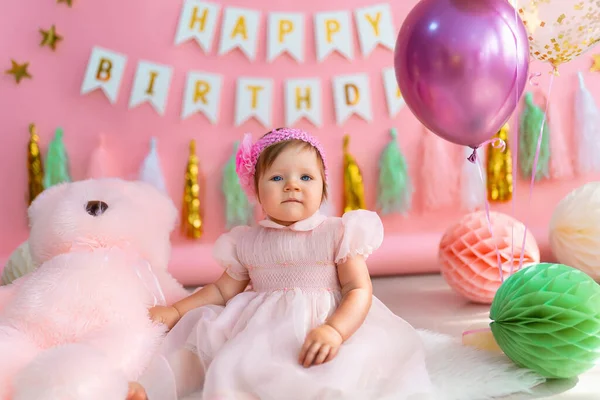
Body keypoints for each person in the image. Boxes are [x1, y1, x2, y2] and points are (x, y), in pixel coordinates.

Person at [127, 128, 434, 400]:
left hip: (322, 326)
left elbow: (358, 289)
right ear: (256, 190)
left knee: (342, 371)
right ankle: (151, 389)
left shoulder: (337, 233)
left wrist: (335, 331)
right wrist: (177, 311)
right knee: (213, 356)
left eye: (306, 177)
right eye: (277, 177)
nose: (292, 185)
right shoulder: (247, 242)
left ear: (323, 187)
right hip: (260, 332)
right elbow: (221, 292)